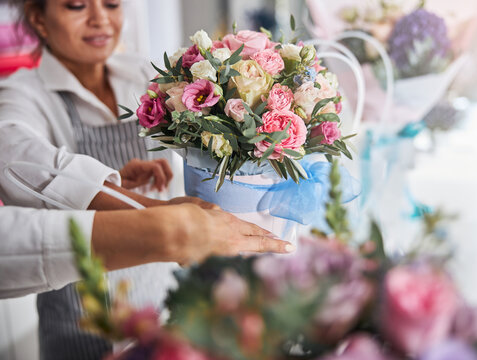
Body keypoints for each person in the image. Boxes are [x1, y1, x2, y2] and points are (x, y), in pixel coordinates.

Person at [0, 0, 283, 358]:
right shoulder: (22, 92)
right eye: (75, 6)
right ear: (39, 18)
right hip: (83, 318)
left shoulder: (141, 74)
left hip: (159, 291)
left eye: (112, 4)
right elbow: (16, 156)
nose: (100, 19)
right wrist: (148, 209)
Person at [0, 204, 294, 299]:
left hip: (155, 286)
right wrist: (166, 230)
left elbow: (52, 167)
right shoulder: (21, 94)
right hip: (77, 296)